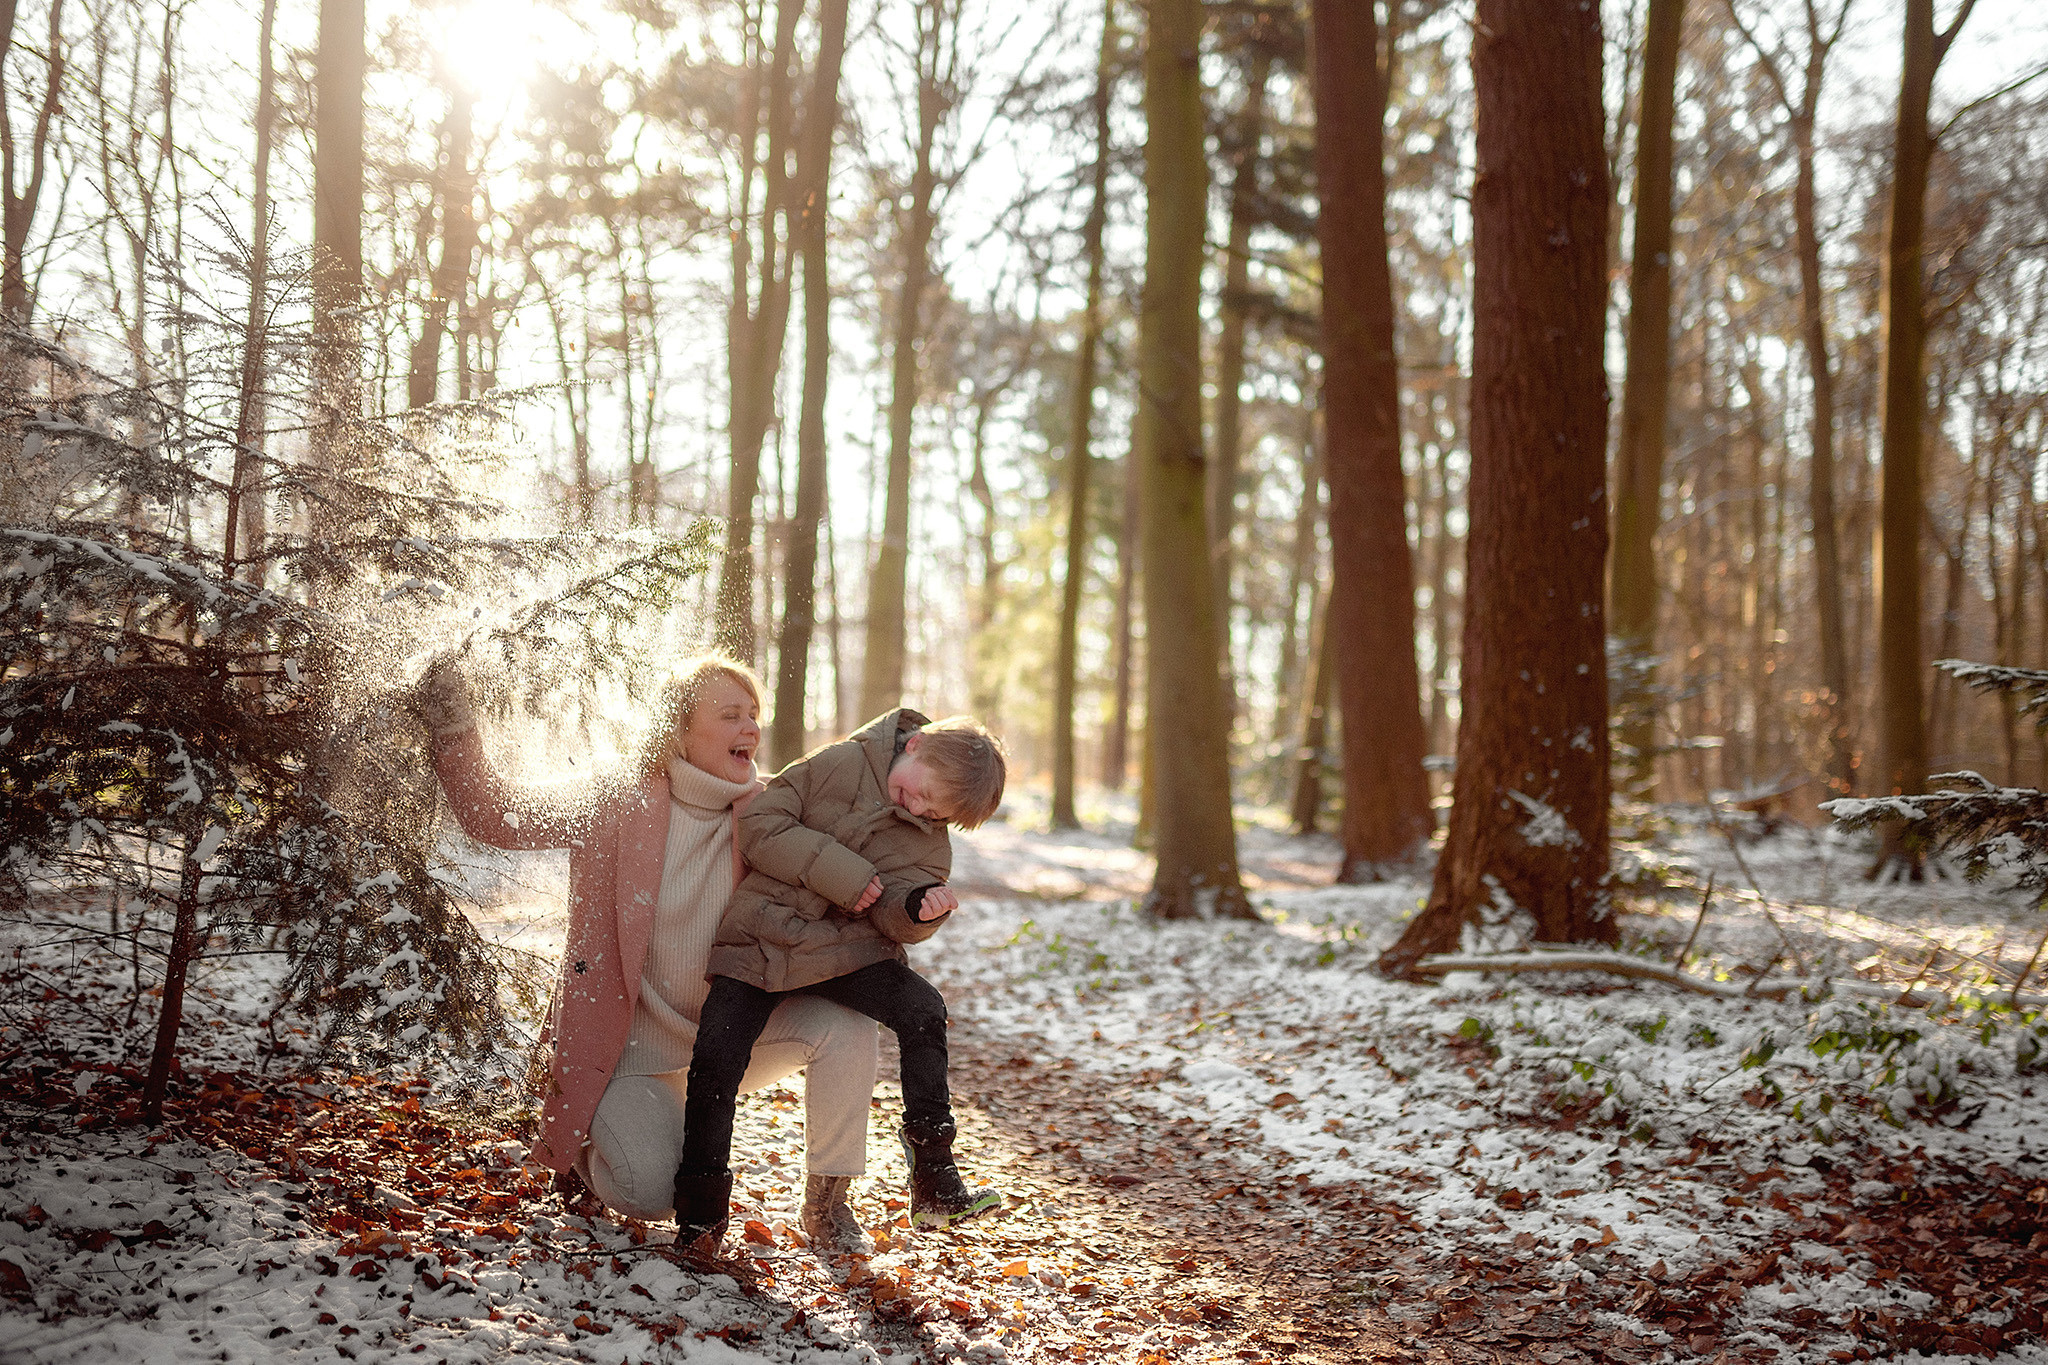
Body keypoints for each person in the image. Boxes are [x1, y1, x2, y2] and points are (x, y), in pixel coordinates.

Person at [416, 654, 881, 1255]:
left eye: (754, 715)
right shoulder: (614, 800)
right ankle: (588, 1139)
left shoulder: (768, 811)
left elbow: (858, 846)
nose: (751, 729)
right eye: (730, 715)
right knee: (653, 1192)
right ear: (679, 729)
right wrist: (453, 724)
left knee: (847, 1024)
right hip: (629, 1049)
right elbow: (494, 814)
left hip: (726, 1042)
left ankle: (826, 1202)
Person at [672, 707, 1007, 1252]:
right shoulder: (842, 762)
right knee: (717, 1062)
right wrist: (845, 876)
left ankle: (934, 1175)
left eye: (934, 811)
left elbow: (895, 904)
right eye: (921, 794)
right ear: (914, 745)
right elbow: (761, 825)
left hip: (844, 952)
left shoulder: (928, 836)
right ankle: (700, 1216)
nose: (918, 809)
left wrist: (918, 909)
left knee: (922, 1008)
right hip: (763, 938)